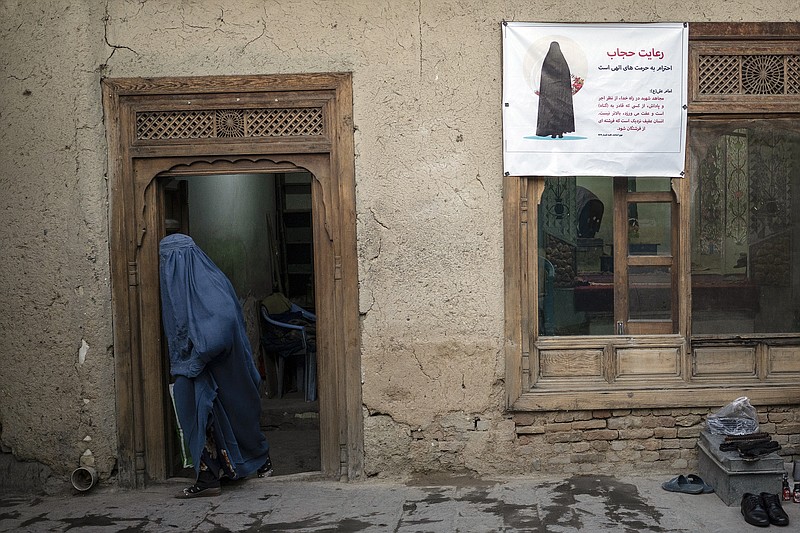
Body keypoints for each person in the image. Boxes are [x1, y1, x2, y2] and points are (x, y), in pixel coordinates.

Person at [159, 233, 272, 498]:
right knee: (201, 417)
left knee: (233, 416)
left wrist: (196, 360)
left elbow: (221, 327)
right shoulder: (192, 282)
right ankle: (213, 474)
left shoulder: (207, 283)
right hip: (197, 369)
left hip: (218, 368)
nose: (168, 268)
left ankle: (214, 476)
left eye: (171, 260)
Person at [536, 41, 576, 138]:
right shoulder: (563, 63)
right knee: (560, 112)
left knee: (552, 112)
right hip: (561, 95)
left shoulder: (547, 62)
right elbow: (566, 79)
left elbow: (545, 81)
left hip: (550, 94)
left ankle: (554, 132)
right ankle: (559, 132)